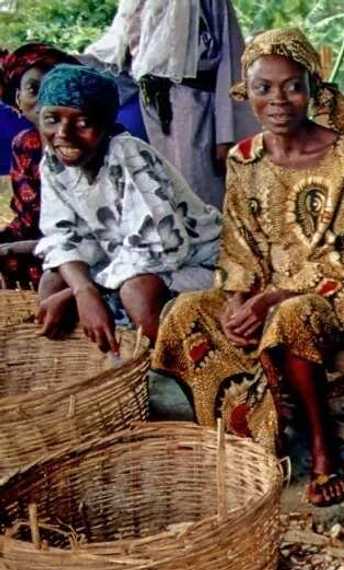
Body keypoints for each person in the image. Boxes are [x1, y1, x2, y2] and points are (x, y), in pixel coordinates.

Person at [152, 28, 344, 508]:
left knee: (290, 319)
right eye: (263, 87)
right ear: (246, 93)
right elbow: (237, 242)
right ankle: (237, 441)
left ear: (313, 88)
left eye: (293, 85)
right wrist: (237, 300)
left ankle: (322, 449)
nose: (278, 99)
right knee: (186, 312)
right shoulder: (243, 158)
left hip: (331, 292)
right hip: (258, 289)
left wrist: (272, 299)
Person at [33, 64, 220, 353]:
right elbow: (61, 238)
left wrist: (83, 292)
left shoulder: (129, 154)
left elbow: (161, 249)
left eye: (82, 122)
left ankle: (183, 370)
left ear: (106, 124)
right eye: (51, 119)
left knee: (137, 292)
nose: (63, 133)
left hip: (201, 264)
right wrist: (81, 290)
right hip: (127, 264)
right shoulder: (54, 162)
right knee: (53, 281)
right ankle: (100, 371)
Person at [84, 0, 256, 209]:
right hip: (151, 111)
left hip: (197, 112)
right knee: (162, 196)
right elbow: (116, 53)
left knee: (200, 197)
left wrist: (225, 135)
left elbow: (231, 58)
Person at [0, 43, 77, 288]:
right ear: (18, 100)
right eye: (34, 89)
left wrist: (12, 249)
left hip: (81, 247)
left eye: (56, 88)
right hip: (35, 239)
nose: (47, 100)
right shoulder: (24, 145)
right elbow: (29, 221)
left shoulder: (92, 142)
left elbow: (82, 231)